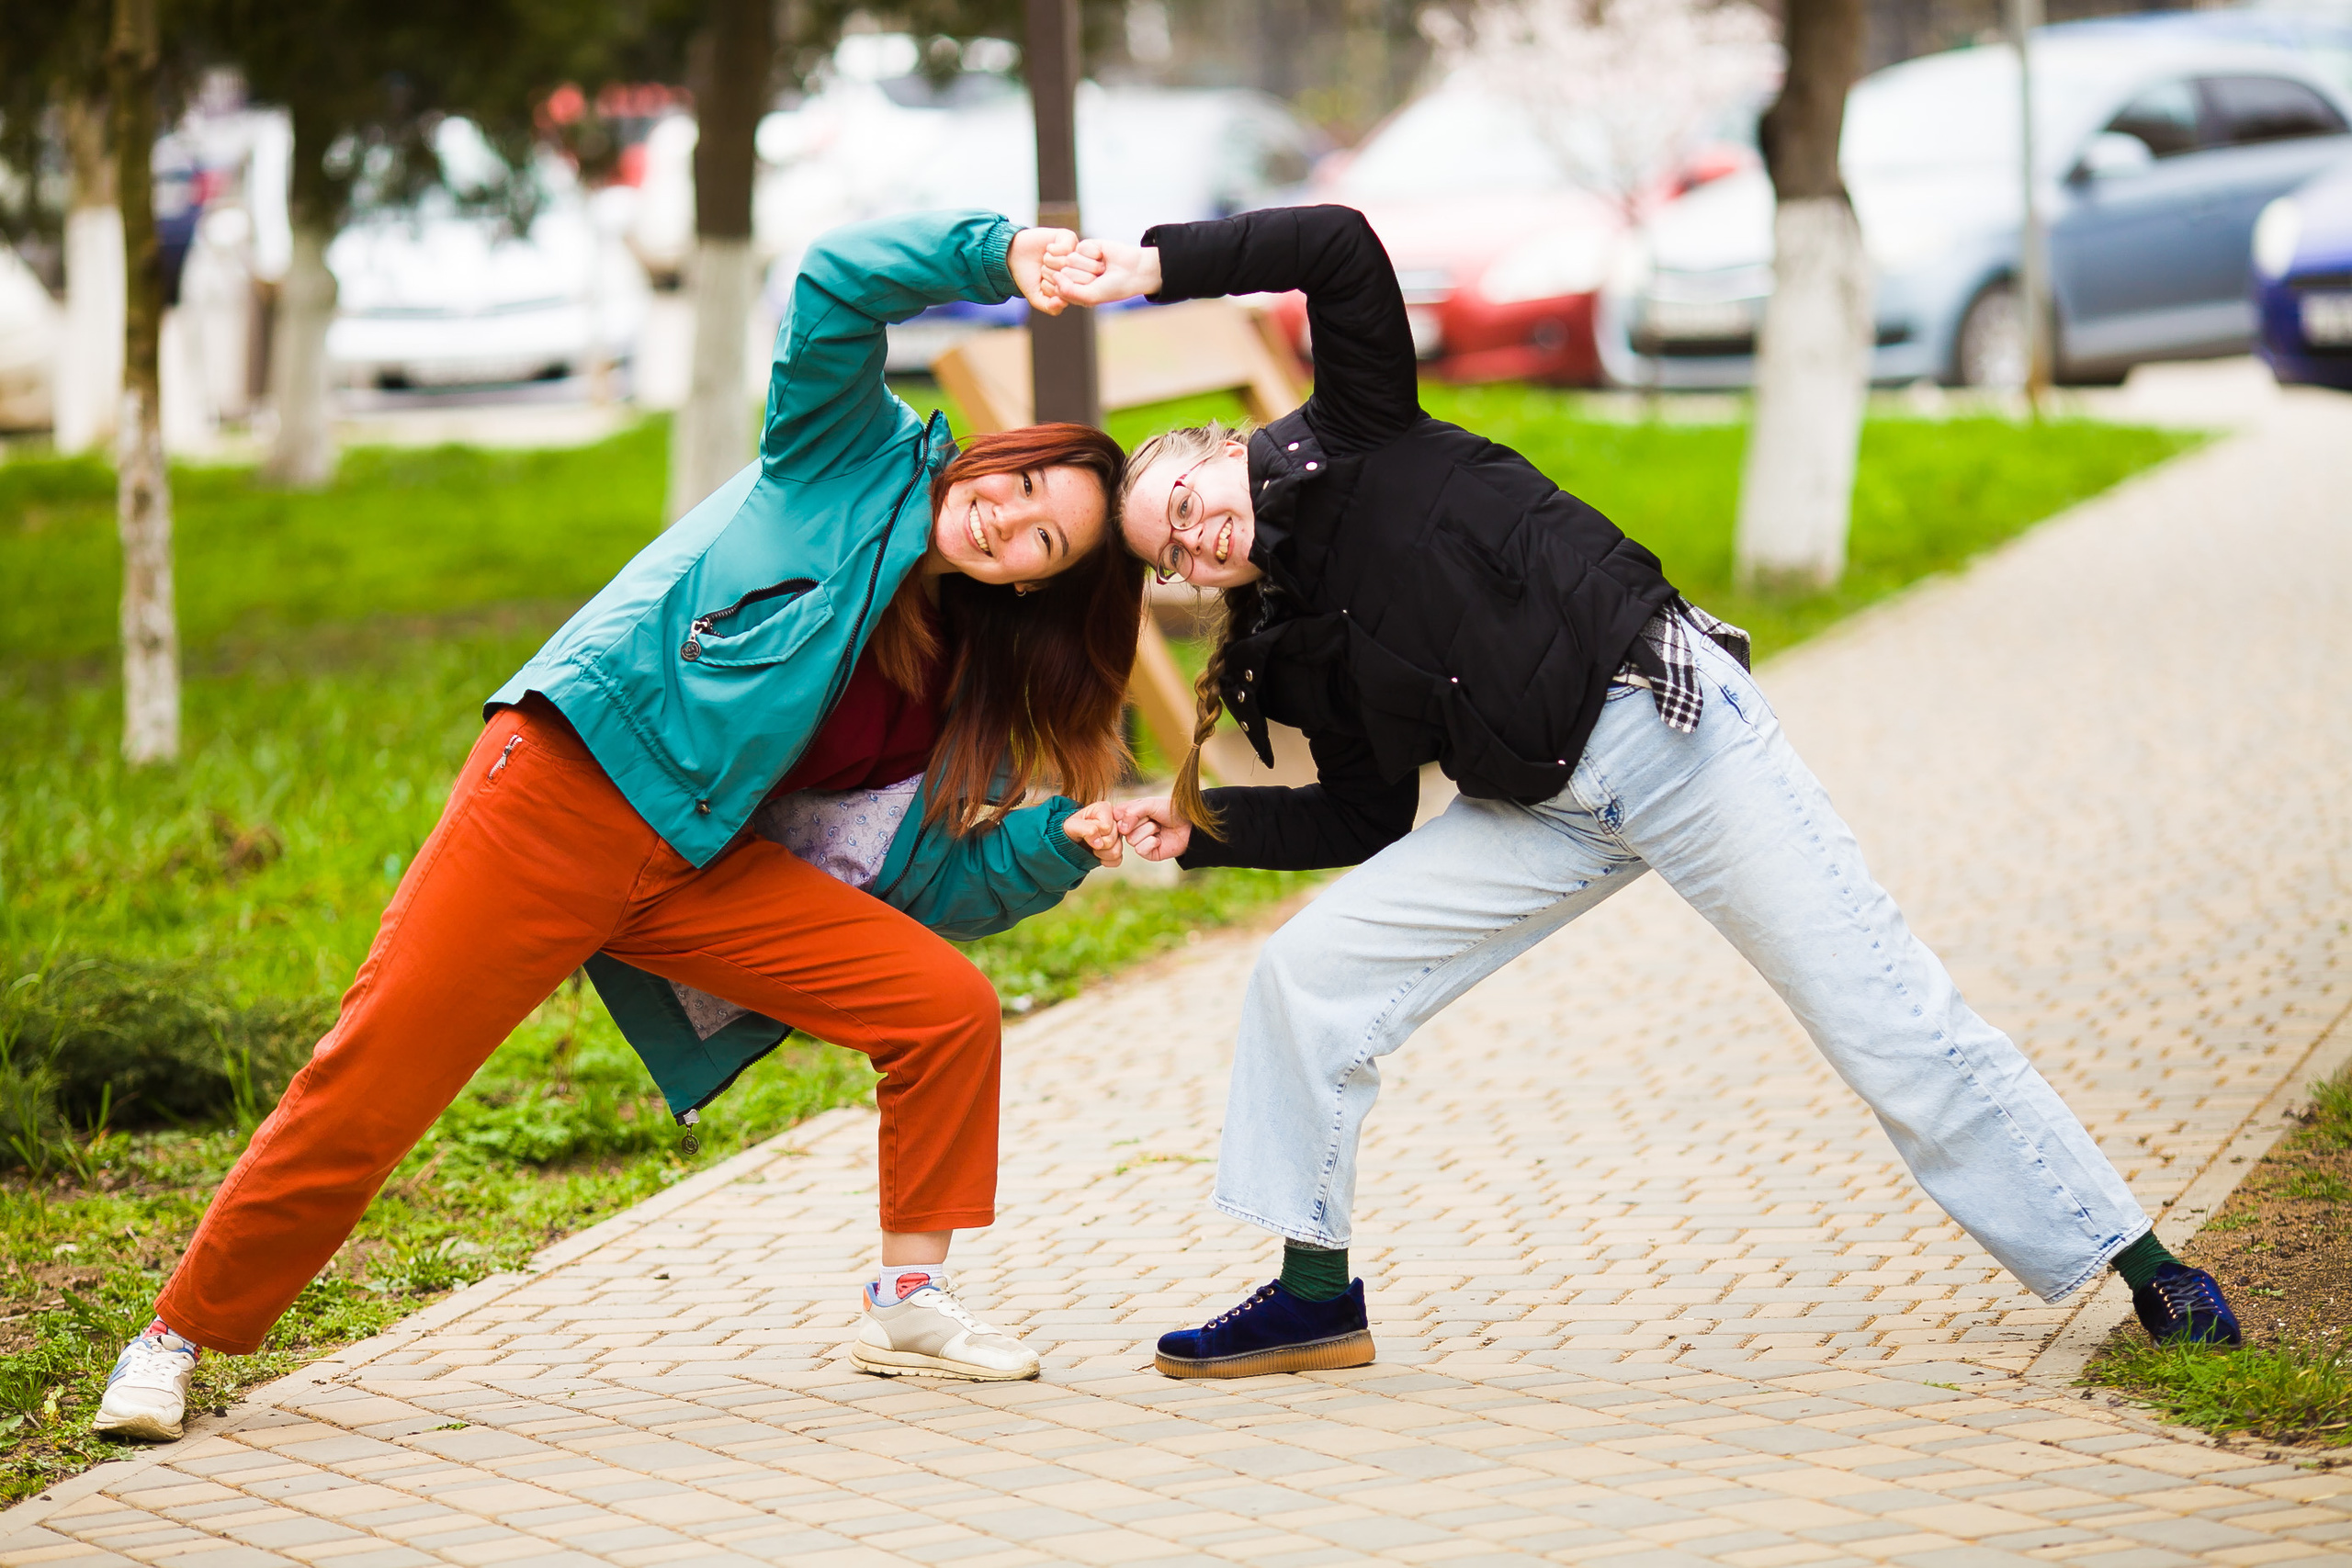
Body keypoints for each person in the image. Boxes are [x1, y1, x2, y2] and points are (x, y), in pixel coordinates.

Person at [1044, 205, 2242, 1380]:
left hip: (1667, 727)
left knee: (1883, 1015)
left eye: (1189, 508)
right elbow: (1364, 816)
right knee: (1308, 975)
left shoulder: (1359, 423)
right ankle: (1314, 1300)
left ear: (1221, 451)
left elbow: (1339, 246)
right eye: (1171, 555)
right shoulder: (1287, 645)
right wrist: (1195, 828)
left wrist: (1143, 267)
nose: (1197, 546)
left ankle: (2137, 1261)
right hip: (1539, 810)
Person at [96, 209, 1148, 1442]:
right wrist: (998, 255)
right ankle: (177, 1336)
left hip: (697, 870)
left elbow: (915, 888)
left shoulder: (959, 687)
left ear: (1036, 582)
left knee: (943, 1006)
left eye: (1043, 538)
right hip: (566, 790)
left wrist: (1053, 848)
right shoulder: (840, 449)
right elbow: (833, 279)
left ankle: (911, 1296)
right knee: (379, 1073)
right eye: (1017, 485)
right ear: (991, 455)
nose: (1007, 520)